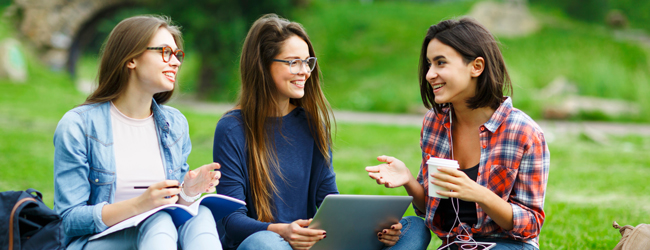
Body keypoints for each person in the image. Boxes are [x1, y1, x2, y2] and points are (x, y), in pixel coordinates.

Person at [212, 14, 428, 250]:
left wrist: (376, 230)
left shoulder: (311, 124)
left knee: (414, 229)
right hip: (266, 243)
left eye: (307, 62)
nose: (305, 71)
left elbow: (329, 202)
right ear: (262, 65)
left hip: (311, 244)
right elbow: (231, 221)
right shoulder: (232, 128)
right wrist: (281, 230)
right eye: (293, 62)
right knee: (263, 244)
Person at [365, 17, 550, 250]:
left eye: (441, 63)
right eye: (429, 64)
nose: (430, 74)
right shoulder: (435, 122)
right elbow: (429, 209)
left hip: (506, 244)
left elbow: (531, 225)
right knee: (413, 227)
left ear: (476, 67)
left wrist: (479, 194)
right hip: (455, 244)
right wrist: (409, 180)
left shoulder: (525, 132)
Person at [53, 15, 221, 250]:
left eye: (177, 54)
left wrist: (189, 192)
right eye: (165, 52)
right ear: (131, 58)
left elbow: (175, 206)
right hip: (98, 242)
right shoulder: (78, 126)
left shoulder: (175, 124)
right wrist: (140, 205)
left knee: (201, 214)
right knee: (158, 218)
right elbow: (67, 220)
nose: (175, 62)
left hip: (161, 237)